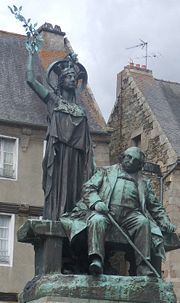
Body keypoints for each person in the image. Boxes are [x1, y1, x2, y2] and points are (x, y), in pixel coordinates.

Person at [60, 146, 176, 276]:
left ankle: (143, 266)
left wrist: (165, 221)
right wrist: (97, 202)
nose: (131, 161)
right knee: (96, 221)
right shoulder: (106, 172)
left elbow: (155, 206)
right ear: (123, 157)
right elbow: (88, 188)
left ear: (139, 165)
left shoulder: (144, 182)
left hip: (131, 215)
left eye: (135, 160)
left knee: (144, 223)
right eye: (129, 157)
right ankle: (96, 259)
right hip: (106, 212)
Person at [26, 50, 95, 220]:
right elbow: (30, 80)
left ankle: (75, 219)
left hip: (77, 159)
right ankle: (56, 218)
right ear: (61, 81)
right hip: (59, 155)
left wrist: (92, 165)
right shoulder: (53, 101)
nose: (72, 80)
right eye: (69, 77)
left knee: (75, 191)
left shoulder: (81, 111)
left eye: (74, 77)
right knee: (58, 191)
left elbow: (88, 143)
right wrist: (30, 54)